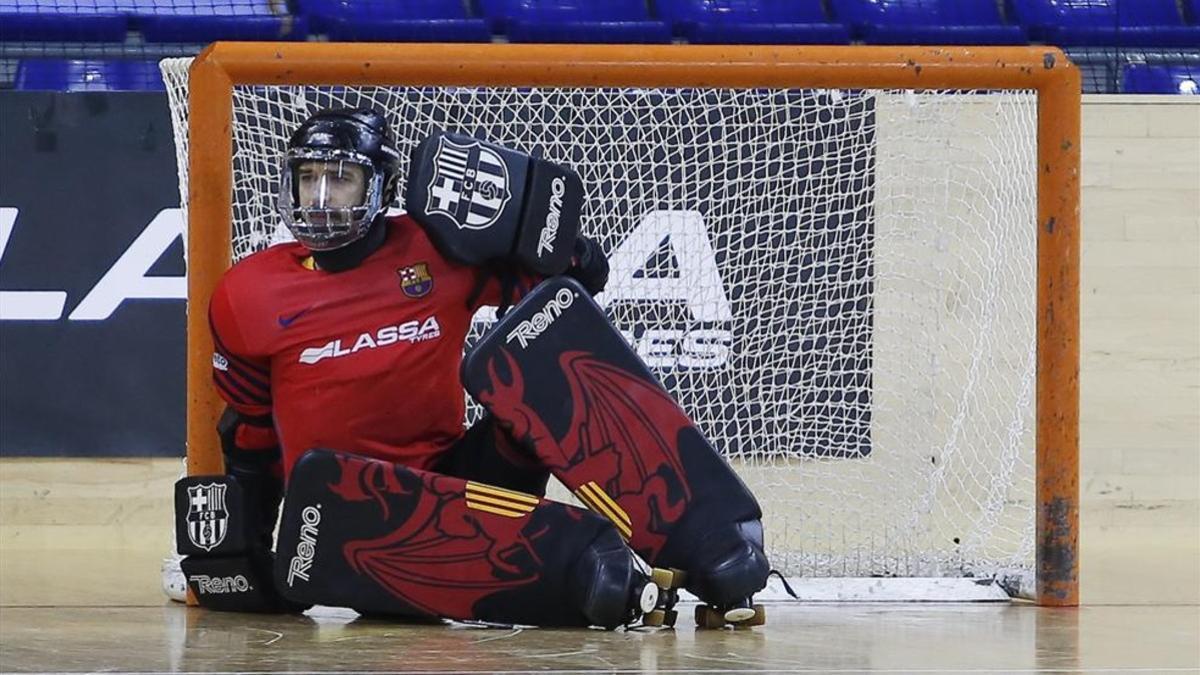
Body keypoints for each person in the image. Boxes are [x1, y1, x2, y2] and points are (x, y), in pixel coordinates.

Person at [204, 107, 608, 553]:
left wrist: (573, 253)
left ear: (383, 186)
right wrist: (246, 555)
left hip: (451, 488)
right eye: (308, 177)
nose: (320, 198)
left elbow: (566, 286)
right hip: (330, 511)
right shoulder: (246, 292)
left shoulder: (440, 246)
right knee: (239, 426)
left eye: (340, 179)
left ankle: (601, 533)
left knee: (544, 387)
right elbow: (250, 435)